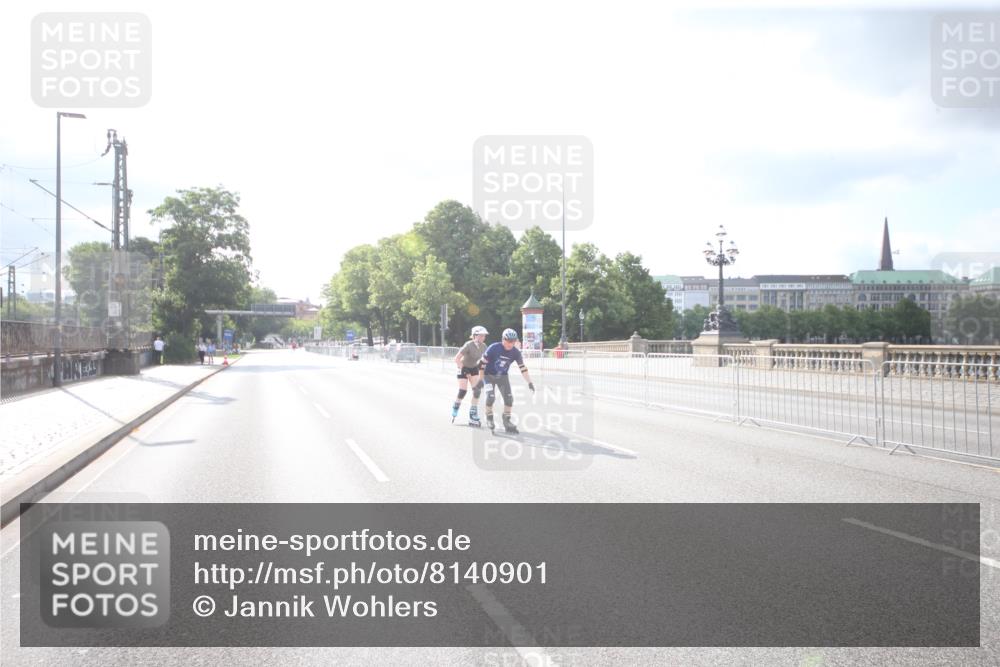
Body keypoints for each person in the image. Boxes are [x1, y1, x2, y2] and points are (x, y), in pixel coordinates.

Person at [477, 328, 535, 434]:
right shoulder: (494, 348)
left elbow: (523, 368)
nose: (510, 344)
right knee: (490, 397)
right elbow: (481, 364)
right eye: (508, 341)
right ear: (503, 339)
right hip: (488, 375)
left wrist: (529, 382)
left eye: (513, 341)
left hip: (502, 376)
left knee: (509, 399)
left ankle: (506, 421)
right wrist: (480, 379)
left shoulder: (515, 352)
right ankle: (489, 417)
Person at [451, 326, 489, 426]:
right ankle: (456, 405)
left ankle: (473, 414)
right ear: (475, 336)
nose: (483, 337)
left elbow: (485, 360)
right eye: (481, 335)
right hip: (463, 367)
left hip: (473, 368)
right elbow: (456, 359)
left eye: (484, 335)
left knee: (477, 391)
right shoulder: (468, 345)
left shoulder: (484, 346)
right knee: (463, 391)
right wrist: (464, 369)